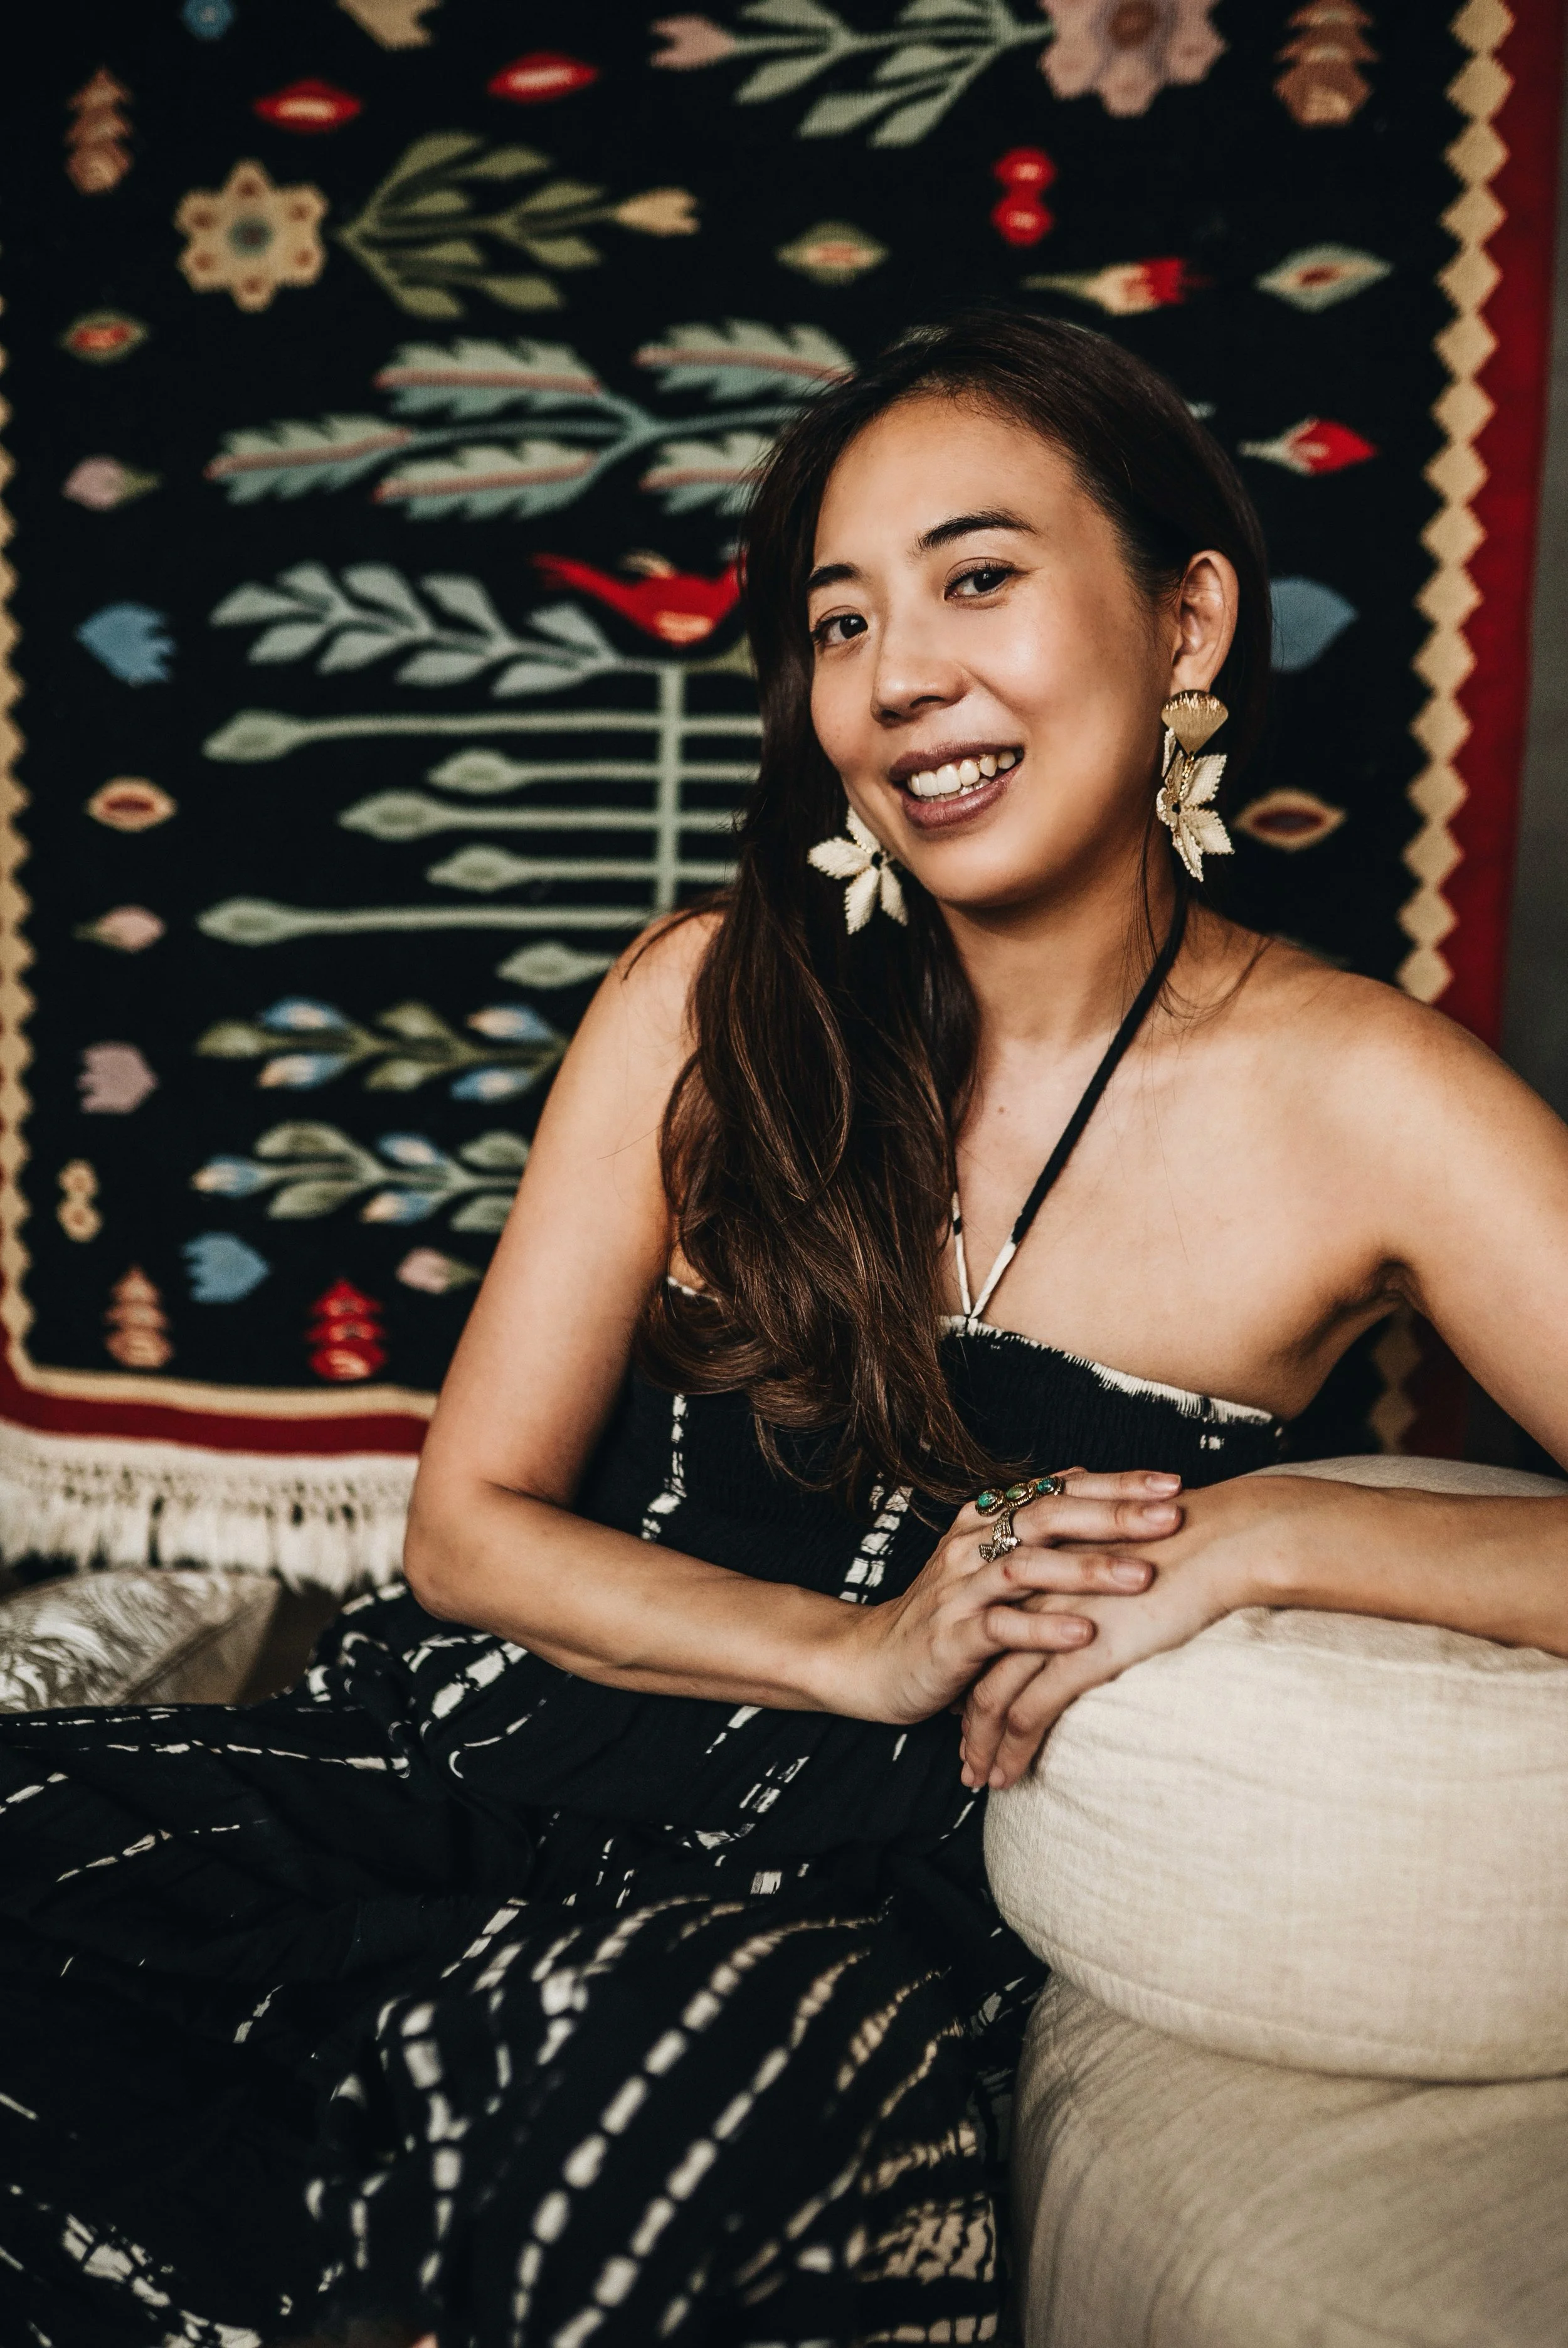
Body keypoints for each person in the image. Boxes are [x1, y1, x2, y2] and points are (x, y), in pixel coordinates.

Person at [3, 308, 1567, 2348]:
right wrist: (862, 1642)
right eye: (840, 621)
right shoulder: (700, 1003)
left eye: (977, 578)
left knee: (603, 2136)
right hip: (455, 1759)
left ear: (1187, 620)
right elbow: (467, 1527)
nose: (900, 676)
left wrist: (1259, 1536)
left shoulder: (1366, 1097)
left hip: (826, 1914)